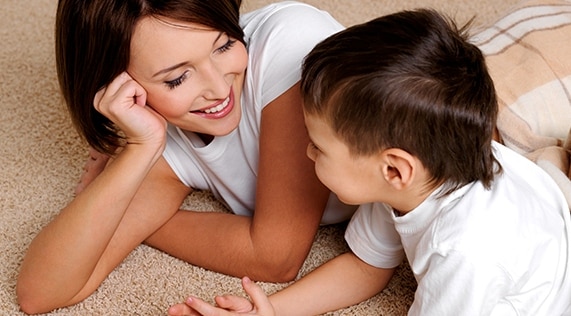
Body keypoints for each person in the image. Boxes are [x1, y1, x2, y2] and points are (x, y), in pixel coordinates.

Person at [168, 9, 571, 316]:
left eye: (318, 146)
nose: (305, 152)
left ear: (395, 169)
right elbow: (366, 266)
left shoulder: (465, 252)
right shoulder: (416, 173)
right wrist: (273, 311)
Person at [16, 0, 358, 314]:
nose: (219, 88)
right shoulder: (161, 133)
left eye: (224, 45)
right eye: (177, 78)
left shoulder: (292, 50)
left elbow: (275, 256)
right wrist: (139, 150)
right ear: (118, 84)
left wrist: (119, 205)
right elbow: (40, 294)